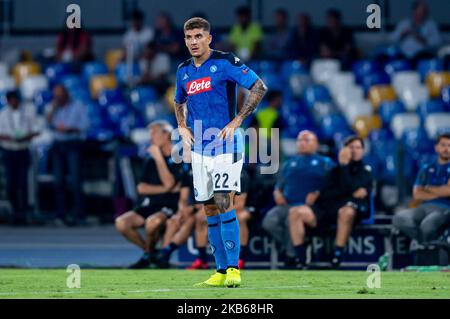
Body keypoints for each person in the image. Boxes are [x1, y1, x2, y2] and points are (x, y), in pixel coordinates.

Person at [174, 17, 267, 287]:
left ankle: (234, 269)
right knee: (209, 208)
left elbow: (259, 86)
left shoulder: (225, 62)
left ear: (209, 38)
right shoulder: (183, 71)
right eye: (189, 38)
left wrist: (237, 121)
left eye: (199, 36)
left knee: (224, 199)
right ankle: (220, 271)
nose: (194, 42)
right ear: (185, 40)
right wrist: (181, 126)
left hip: (227, 145)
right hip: (200, 148)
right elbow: (178, 100)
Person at [289, 136, 373, 268]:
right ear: (344, 150)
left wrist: (345, 169)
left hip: (348, 210)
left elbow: (349, 188)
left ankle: (337, 256)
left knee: (347, 211)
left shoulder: (365, 171)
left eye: (358, 148)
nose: (355, 151)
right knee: (295, 212)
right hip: (327, 209)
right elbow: (326, 194)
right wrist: (349, 192)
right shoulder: (334, 170)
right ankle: (301, 258)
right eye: (351, 148)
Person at [115, 121, 185, 269]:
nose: (151, 138)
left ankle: (148, 255)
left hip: (169, 205)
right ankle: (151, 254)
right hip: (150, 204)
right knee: (121, 223)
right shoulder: (150, 160)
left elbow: (170, 182)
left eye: (154, 133)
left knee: (152, 223)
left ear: (166, 135)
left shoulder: (178, 157)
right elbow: (141, 188)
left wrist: (159, 158)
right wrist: (166, 188)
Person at [262, 130, 335, 267]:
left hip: (312, 207)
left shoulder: (325, 163)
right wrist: (277, 193)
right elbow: (279, 185)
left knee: (293, 217)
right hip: (287, 204)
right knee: (269, 221)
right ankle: (298, 246)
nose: (302, 143)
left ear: (316, 144)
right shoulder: (289, 163)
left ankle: (293, 255)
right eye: (300, 140)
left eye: (307, 140)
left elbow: (334, 185)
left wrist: (319, 193)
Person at [188, 169, 253, 270]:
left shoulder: (239, 173)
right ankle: (202, 260)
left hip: (247, 207)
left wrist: (220, 210)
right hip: (221, 206)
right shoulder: (206, 171)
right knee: (200, 217)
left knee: (240, 218)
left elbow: (240, 204)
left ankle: (240, 259)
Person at [393, 133, 450, 244]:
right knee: (399, 218)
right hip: (424, 206)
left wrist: (427, 188)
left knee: (427, 225)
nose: (446, 149)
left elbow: (448, 191)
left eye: (449, 145)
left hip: (446, 208)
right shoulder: (426, 168)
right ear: (436, 148)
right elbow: (417, 194)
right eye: (443, 145)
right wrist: (440, 191)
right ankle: (426, 244)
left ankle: (427, 248)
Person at [46, 84, 89, 225]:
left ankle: (79, 214)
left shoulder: (78, 105)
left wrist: (71, 129)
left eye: (60, 95)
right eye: (56, 96)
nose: (58, 98)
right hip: (58, 146)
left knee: (76, 181)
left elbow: (85, 125)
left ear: (66, 94)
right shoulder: (53, 107)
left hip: (73, 144)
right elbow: (47, 125)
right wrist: (52, 109)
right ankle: (61, 214)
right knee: (59, 182)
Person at [0, 90, 40, 225]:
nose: (13, 102)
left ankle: (23, 212)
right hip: (9, 150)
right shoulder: (3, 114)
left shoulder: (28, 112)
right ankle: (14, 211)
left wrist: (24, 137)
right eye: (11, 99)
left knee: (23, 183)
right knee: (11, 183)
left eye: (15, 99)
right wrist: (11, 138)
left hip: (23, 149)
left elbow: (36, 130)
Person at [153, 164, 200, 268]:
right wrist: (181, 211)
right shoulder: (188, 173)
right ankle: (163, 258)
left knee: (192, 220)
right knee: (173, 221)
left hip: (209, 208)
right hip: (193, 209)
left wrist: (192, 208)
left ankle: (165, 252)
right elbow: (183, 198)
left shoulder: (210, 170)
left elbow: (212, 199)